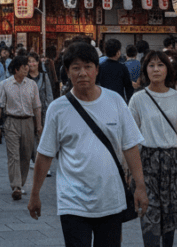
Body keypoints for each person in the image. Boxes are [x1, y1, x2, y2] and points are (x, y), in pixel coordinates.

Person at [28, 41, 149, 247]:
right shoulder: (58, 109)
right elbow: (45, 154)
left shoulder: (115, 102)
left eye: (87, 67)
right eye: (76, 68)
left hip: (111, 200)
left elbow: (130, 146)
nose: (82, 73)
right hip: (73, 202)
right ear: (67, 72)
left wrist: (140, 186)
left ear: (96, 70)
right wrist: (35, 194)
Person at [129, 50, 177, 247]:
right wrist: (128, 168)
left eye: (160, 65)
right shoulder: (138, 99)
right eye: (151, 65)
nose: (156, 69)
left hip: (173, 162)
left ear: (168, 69)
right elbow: (129, 136)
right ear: (145, 70)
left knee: (169, 218)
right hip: (147, 161)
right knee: (149, 214)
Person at [0, 55, 42, 200]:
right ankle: (16, 186)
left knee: (26, 155)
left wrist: (38, 125)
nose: (27, 69)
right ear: (16, 69)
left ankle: (20, 183)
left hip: (28, 121)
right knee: (13, 155)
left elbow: (37, 107)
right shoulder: (5, 84)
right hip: (11, 122)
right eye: (24, 67)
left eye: (27, 66)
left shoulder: (32, 85)